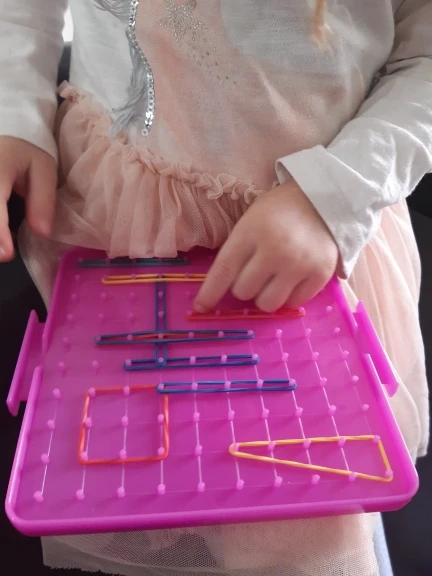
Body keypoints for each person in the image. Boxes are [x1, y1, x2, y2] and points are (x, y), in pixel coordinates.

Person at [0, 1, 431, 574]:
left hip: (309, 243)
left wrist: (333, 196)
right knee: (134, 469)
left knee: (291, 517)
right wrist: (15, 107)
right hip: (112, 219)